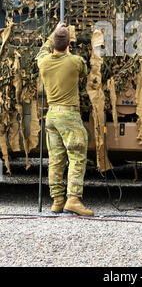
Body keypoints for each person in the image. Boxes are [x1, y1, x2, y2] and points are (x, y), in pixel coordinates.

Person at [36, 22, 94, 216]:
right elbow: (85, 72)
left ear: (52, 43)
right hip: (69, 115)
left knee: (55, 159)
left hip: (51, 115)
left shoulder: (43, 62)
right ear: (70, 44)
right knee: (77, 155)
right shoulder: (75, 61)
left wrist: (54, 33)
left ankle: (57, 201)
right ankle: (74, 199)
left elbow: (42, 52)